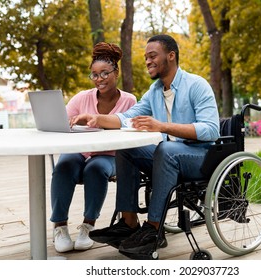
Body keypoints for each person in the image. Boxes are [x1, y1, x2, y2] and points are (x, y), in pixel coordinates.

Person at [71, 34, 219, 257]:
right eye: (146, 58)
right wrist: (94, 117)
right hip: (167, 156)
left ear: (171, 56)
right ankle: (129, 222)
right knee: (125, 144)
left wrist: (162, 126)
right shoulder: (155, 92)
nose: (148, 61)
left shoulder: (197, 85)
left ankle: (153, 229)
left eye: (152, 56)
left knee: (165, 149)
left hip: (199, 157)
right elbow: (126, 117)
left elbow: (211, 130)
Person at [50, 42, 137, 253]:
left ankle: (88, 226)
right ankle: (60, 227)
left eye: (104, 73)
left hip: (109, 156)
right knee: (65, 165)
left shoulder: (129, 100)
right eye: (95, 75)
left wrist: (99, 121)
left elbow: (131, 128)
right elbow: (61, 121)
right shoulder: (82, 97)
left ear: (116, 72)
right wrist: (73, 122)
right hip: (80, 150)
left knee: (95, 169)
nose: (99, 79)